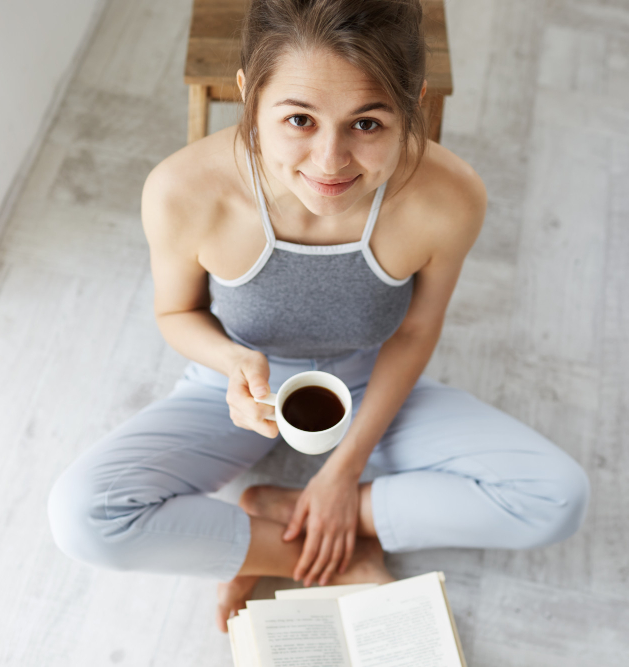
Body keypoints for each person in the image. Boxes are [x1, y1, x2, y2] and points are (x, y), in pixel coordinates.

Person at [47, 0, 590, 633]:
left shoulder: (449, 195)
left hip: (371, 382)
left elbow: (415, 330)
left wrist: (343, 473)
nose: (330, 162)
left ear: (411, 102)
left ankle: (297, 508)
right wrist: (232, 361)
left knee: (559, 497)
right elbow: (176, 312)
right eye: (299, 119)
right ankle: (323, 550)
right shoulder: (183, 190)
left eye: (367, 124)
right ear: (250, 95)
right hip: (242, 389)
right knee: (82, 516)